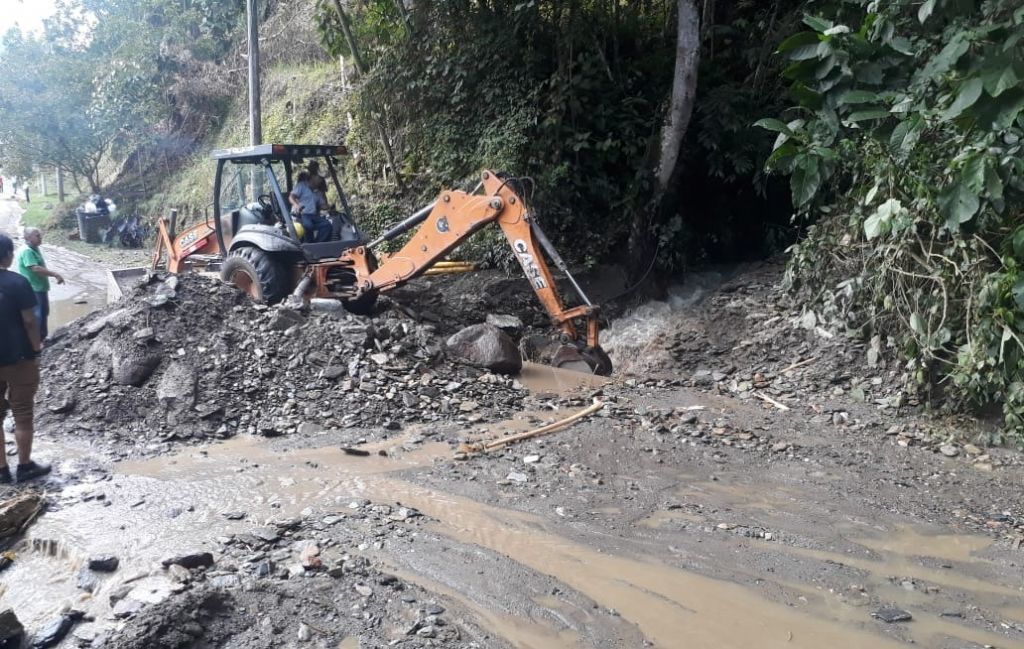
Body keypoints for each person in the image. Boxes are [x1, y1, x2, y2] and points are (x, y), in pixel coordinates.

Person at [0, 234, 51, 484]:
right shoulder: (18, 283)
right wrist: (37, 350)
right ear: (8, 255)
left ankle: (1, 471)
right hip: (19, 358)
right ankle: (24, 466)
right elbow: (31, 321)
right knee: (22, 412)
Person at [16, 228, 65, 342]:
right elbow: (35, 268)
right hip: (33, 289)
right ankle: (36, 342)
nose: (40, 238)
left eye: (40, 235)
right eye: (37, 236)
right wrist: (55, 274)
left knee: (43, 313)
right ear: (28, 238)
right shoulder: (27, 251)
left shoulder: (34, 248)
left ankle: (42, 339)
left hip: (40, 288)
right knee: (37, 316)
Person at [288, 171, 331, 243]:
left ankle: (317, 244)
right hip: (301, 215)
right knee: (308, 225)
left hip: (313, 216)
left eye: (321, 179)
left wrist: (328, 206)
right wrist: (296, 205)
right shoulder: (301, 186)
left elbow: (322, 205)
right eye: (319, 178)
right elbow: (291, 197)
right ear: (313, 177)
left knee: (327, 225)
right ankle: (308, 244)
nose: (321, 180)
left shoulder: (318, 192)